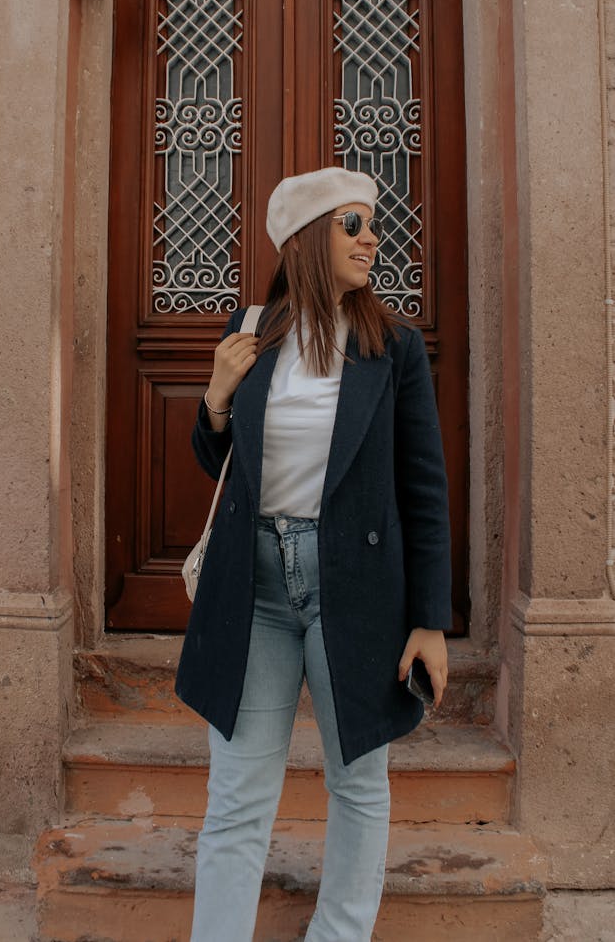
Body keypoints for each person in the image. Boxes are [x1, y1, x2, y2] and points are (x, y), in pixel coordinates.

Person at [176, 167, 452, 942]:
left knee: (358, 779)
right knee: (237, 792)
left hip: (354, 585)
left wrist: (430, 619)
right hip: (253, 587)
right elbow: (218, 460)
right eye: (353, 224)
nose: (373, 239)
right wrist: (216, 397)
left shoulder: (392, 346)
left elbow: (423, 487)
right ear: (307, 237)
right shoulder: (254, 329)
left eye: (372, 224)